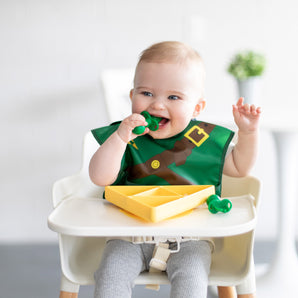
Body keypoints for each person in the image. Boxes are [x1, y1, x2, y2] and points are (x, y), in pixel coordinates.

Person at [89, 41, 261, 298]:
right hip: (129, 237)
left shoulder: (203, 139)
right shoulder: (125, 137)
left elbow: (240, 167)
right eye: (146, 93)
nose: (157, 105)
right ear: (131, 95)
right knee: (110, 276)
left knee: (192, 282)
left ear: (197, 108)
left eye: (173, 97)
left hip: (190, 238)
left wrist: (248, 133)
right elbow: (99, 177)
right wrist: (119, 139)